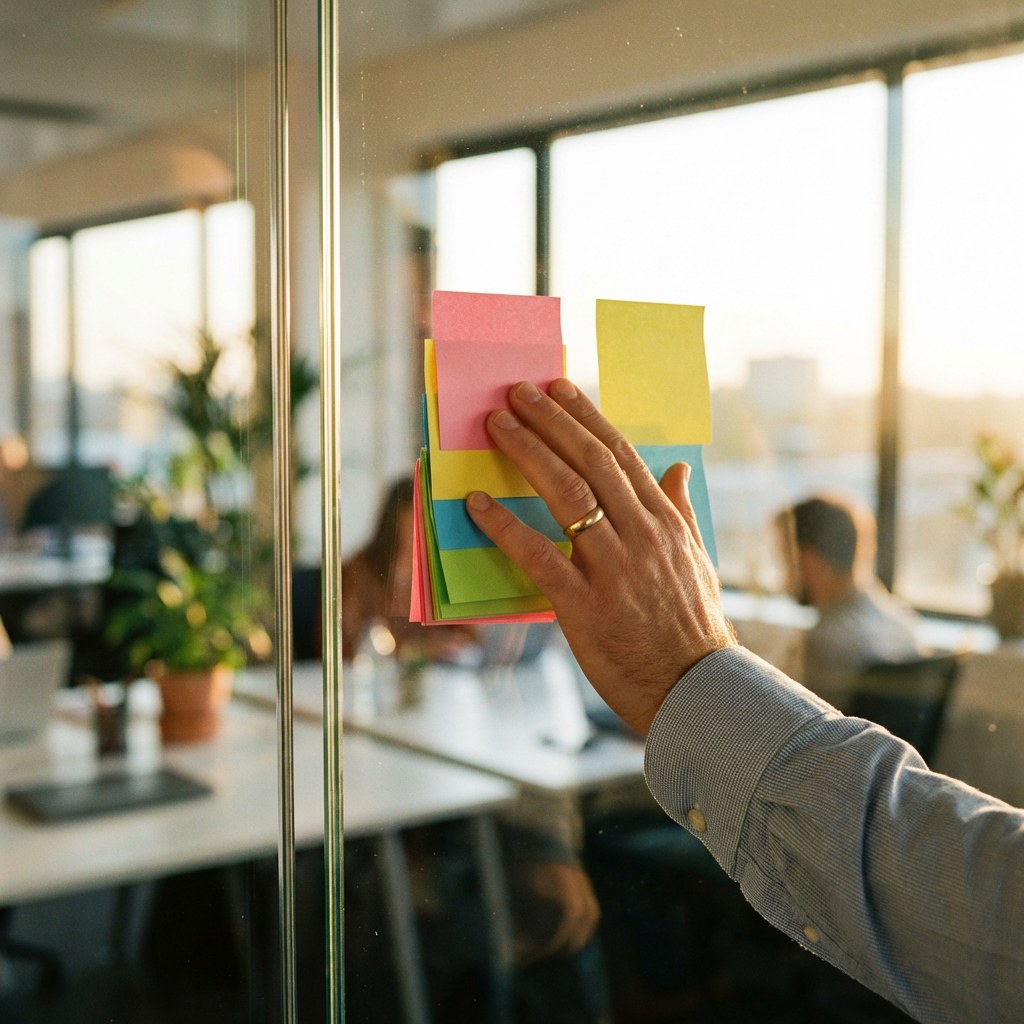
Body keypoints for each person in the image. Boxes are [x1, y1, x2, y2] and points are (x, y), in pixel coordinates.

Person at [461, 376, 1024, 1024]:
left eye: (788, 557)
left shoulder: (830, 641)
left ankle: (652, 996)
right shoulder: (898, 624)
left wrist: (689, 673)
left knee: (608, 842)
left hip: (794, 849)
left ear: (809, 559)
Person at [776, 495, 925, 708]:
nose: (783, 575)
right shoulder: (904, 622)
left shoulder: (821, 642)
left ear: (808, 559)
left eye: (784, 559)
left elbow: (792, 727)